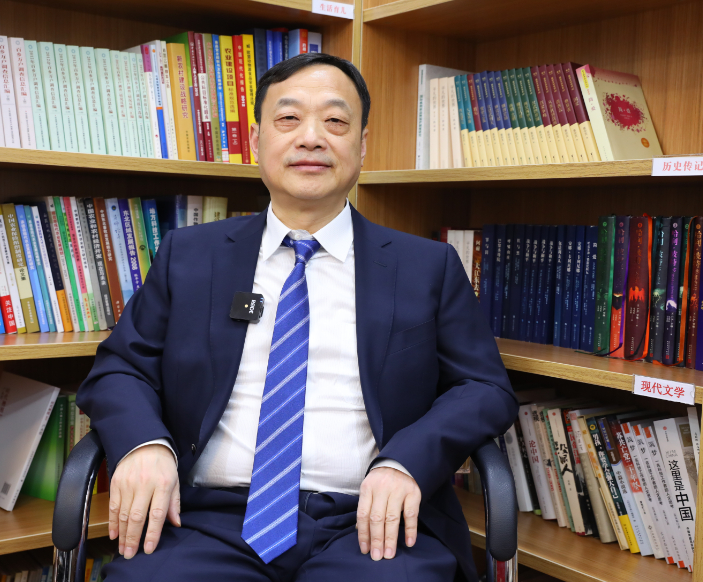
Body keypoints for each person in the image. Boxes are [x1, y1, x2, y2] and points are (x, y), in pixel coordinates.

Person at [76, 52, 517, 582]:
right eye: (289, 119)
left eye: (335, 121)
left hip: (369, 524)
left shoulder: (427, 266)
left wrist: (408, 460)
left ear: (362, 145)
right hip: (210, 521)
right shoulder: (189, 255)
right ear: (257, 140)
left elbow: (484, 388)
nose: (311, 138)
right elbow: (120, 368)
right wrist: (144, 443)